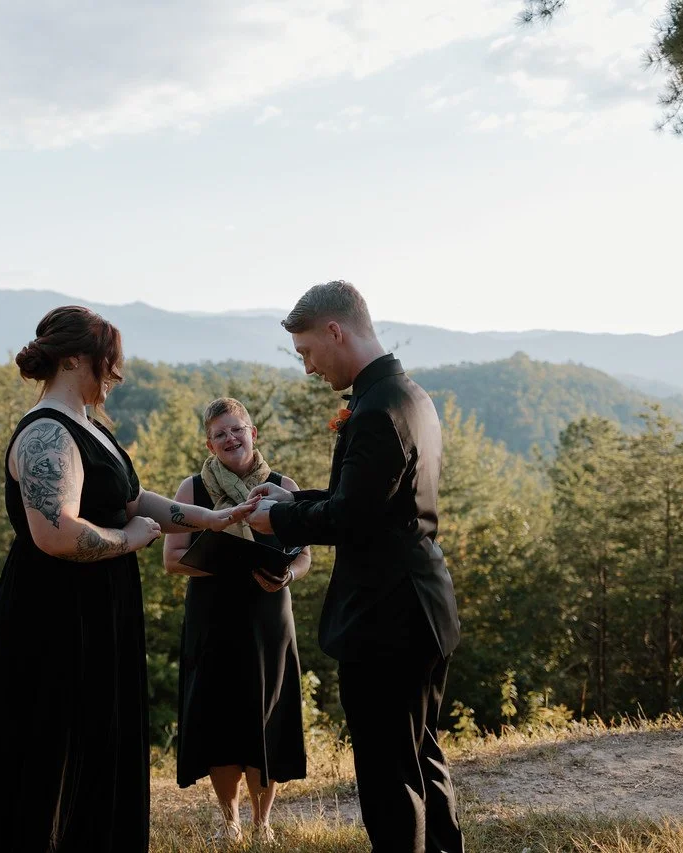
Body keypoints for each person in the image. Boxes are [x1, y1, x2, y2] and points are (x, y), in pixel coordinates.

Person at [0, 306, 253, 853]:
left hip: (97, 610)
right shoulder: (46, 433)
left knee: (99, 744)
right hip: (54, 617)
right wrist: (133, 540)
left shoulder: (88, 428)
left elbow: (130, 501)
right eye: (108, 361)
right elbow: (56, 534)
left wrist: (211, 519)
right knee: (52, 750)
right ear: (75, 358)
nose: (114, 374)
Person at [246, 281, 464, 853]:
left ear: (335, 331)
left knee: (388, 775)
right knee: (420, 756)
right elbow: (373, 500)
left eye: (308, 353)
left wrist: (280, 523)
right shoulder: (406, 393)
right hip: (422, 606)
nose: (309, 368)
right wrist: (293, 501)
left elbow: (353, 519)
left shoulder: (374, 410)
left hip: (387, 616)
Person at [163, 398, 312, 845]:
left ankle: (262, 823)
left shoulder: (284, 486)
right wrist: (226, 564)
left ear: (253, 433)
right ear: (209, 444)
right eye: (220, 434)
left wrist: (288, 572)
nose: (231, 438)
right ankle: (229, 822)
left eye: (237, 430)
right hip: (213, 617)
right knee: (219, 719)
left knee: (265, 717)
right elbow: (172, 561)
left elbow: (304, 556)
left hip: (269, 616)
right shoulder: (192, 489)